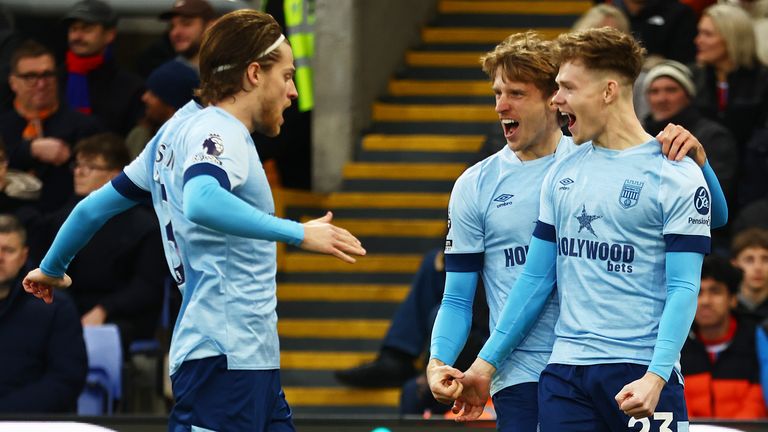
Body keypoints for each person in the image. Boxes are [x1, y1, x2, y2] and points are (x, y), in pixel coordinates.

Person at [23, 10, 365, 431]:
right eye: (288, 76)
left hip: (239, 357)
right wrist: (299, 233)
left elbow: (93, 208)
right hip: (225, 356)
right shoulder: (221, 131)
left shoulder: (172, 132)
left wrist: (52, 267)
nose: (293, 91)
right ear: (255, 73)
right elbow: (203, 200)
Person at [427, 29, 728, 431]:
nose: (501, 106)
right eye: (496, 93)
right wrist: (469, 364)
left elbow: (709, 224)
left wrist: (699, 163)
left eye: (516, 93)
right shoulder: (485, 183)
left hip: (628, 362)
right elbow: (520, 282)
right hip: (538, 370)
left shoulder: (645, 164)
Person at [29, 133, 166, 351]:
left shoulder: (146, 226)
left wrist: (104, 309)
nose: (78, 172)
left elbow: (146, 287)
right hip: (69, 309)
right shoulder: (61, 220)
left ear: (117, 175)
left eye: (90, 166)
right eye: (77, 165)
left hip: (122, 316)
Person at [0, 40, 102, 213]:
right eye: (30, 77)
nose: (41, 84)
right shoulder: (2, 125)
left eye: (47, 75)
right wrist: (29, 150)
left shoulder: (85, 127)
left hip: (63, 223)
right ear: (13, 82)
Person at [0, 214, 86, 413]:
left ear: (23, 256)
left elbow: (66, 380)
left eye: (8, 250)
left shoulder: (55, 306)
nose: (0, 258)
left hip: (32, 422)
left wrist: (5, 413)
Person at [642, 60, 738, 213]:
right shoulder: (641, 135)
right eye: (654, 92)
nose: (662, 98)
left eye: (671, 90)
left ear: (688, 95)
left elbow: (714, 198)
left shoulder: (714, 136)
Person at [680, 256, 766, 419]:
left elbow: (758, 403)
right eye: (698, 292)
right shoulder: (676, 344)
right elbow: (678, 404)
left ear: (733, 299)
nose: (705, 301)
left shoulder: (757, 340)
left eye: (715, 291)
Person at [692, 3, 768, 152]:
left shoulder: (763, 80)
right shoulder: (692, 77)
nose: (698, 41)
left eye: (707, 34)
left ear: (732, 39)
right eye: (699, 33)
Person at [62, 0, 144, 136]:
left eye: (87, 29)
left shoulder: (130, 88)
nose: (77, 36)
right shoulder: (51, 80)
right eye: (73, 29)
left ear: (109, 35)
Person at [125, 60, 199, 158]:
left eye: (154, 94)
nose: (144, 97)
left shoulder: (193, 147)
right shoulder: (140, 137)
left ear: (172, 104)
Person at [159, 0, 217, 72]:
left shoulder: (228, 71)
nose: (174, 33)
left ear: (210, 26)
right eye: (172, 26)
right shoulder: (166, 76)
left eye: (186, 24)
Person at [731, 228, 768, 321]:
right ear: (735, 264)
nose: (758, 267)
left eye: (765, 259)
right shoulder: (725, 307)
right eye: (749, 260)